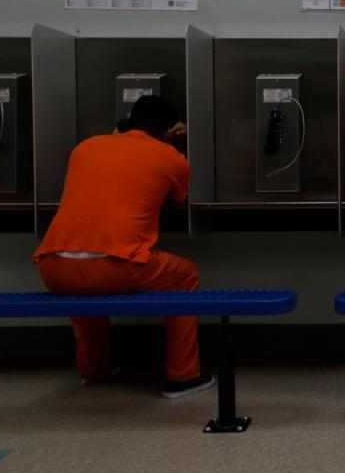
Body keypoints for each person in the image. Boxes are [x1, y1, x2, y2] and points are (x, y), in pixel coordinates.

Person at [33, 95, 213, 398]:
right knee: (185, 275)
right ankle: (183, 376)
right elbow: (177, 198)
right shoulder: (170, 157)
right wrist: (176, 143)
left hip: (54, 267)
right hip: (114, 267)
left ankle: (94, 369)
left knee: (84, 278)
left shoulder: (84, 148)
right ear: (170, 131)